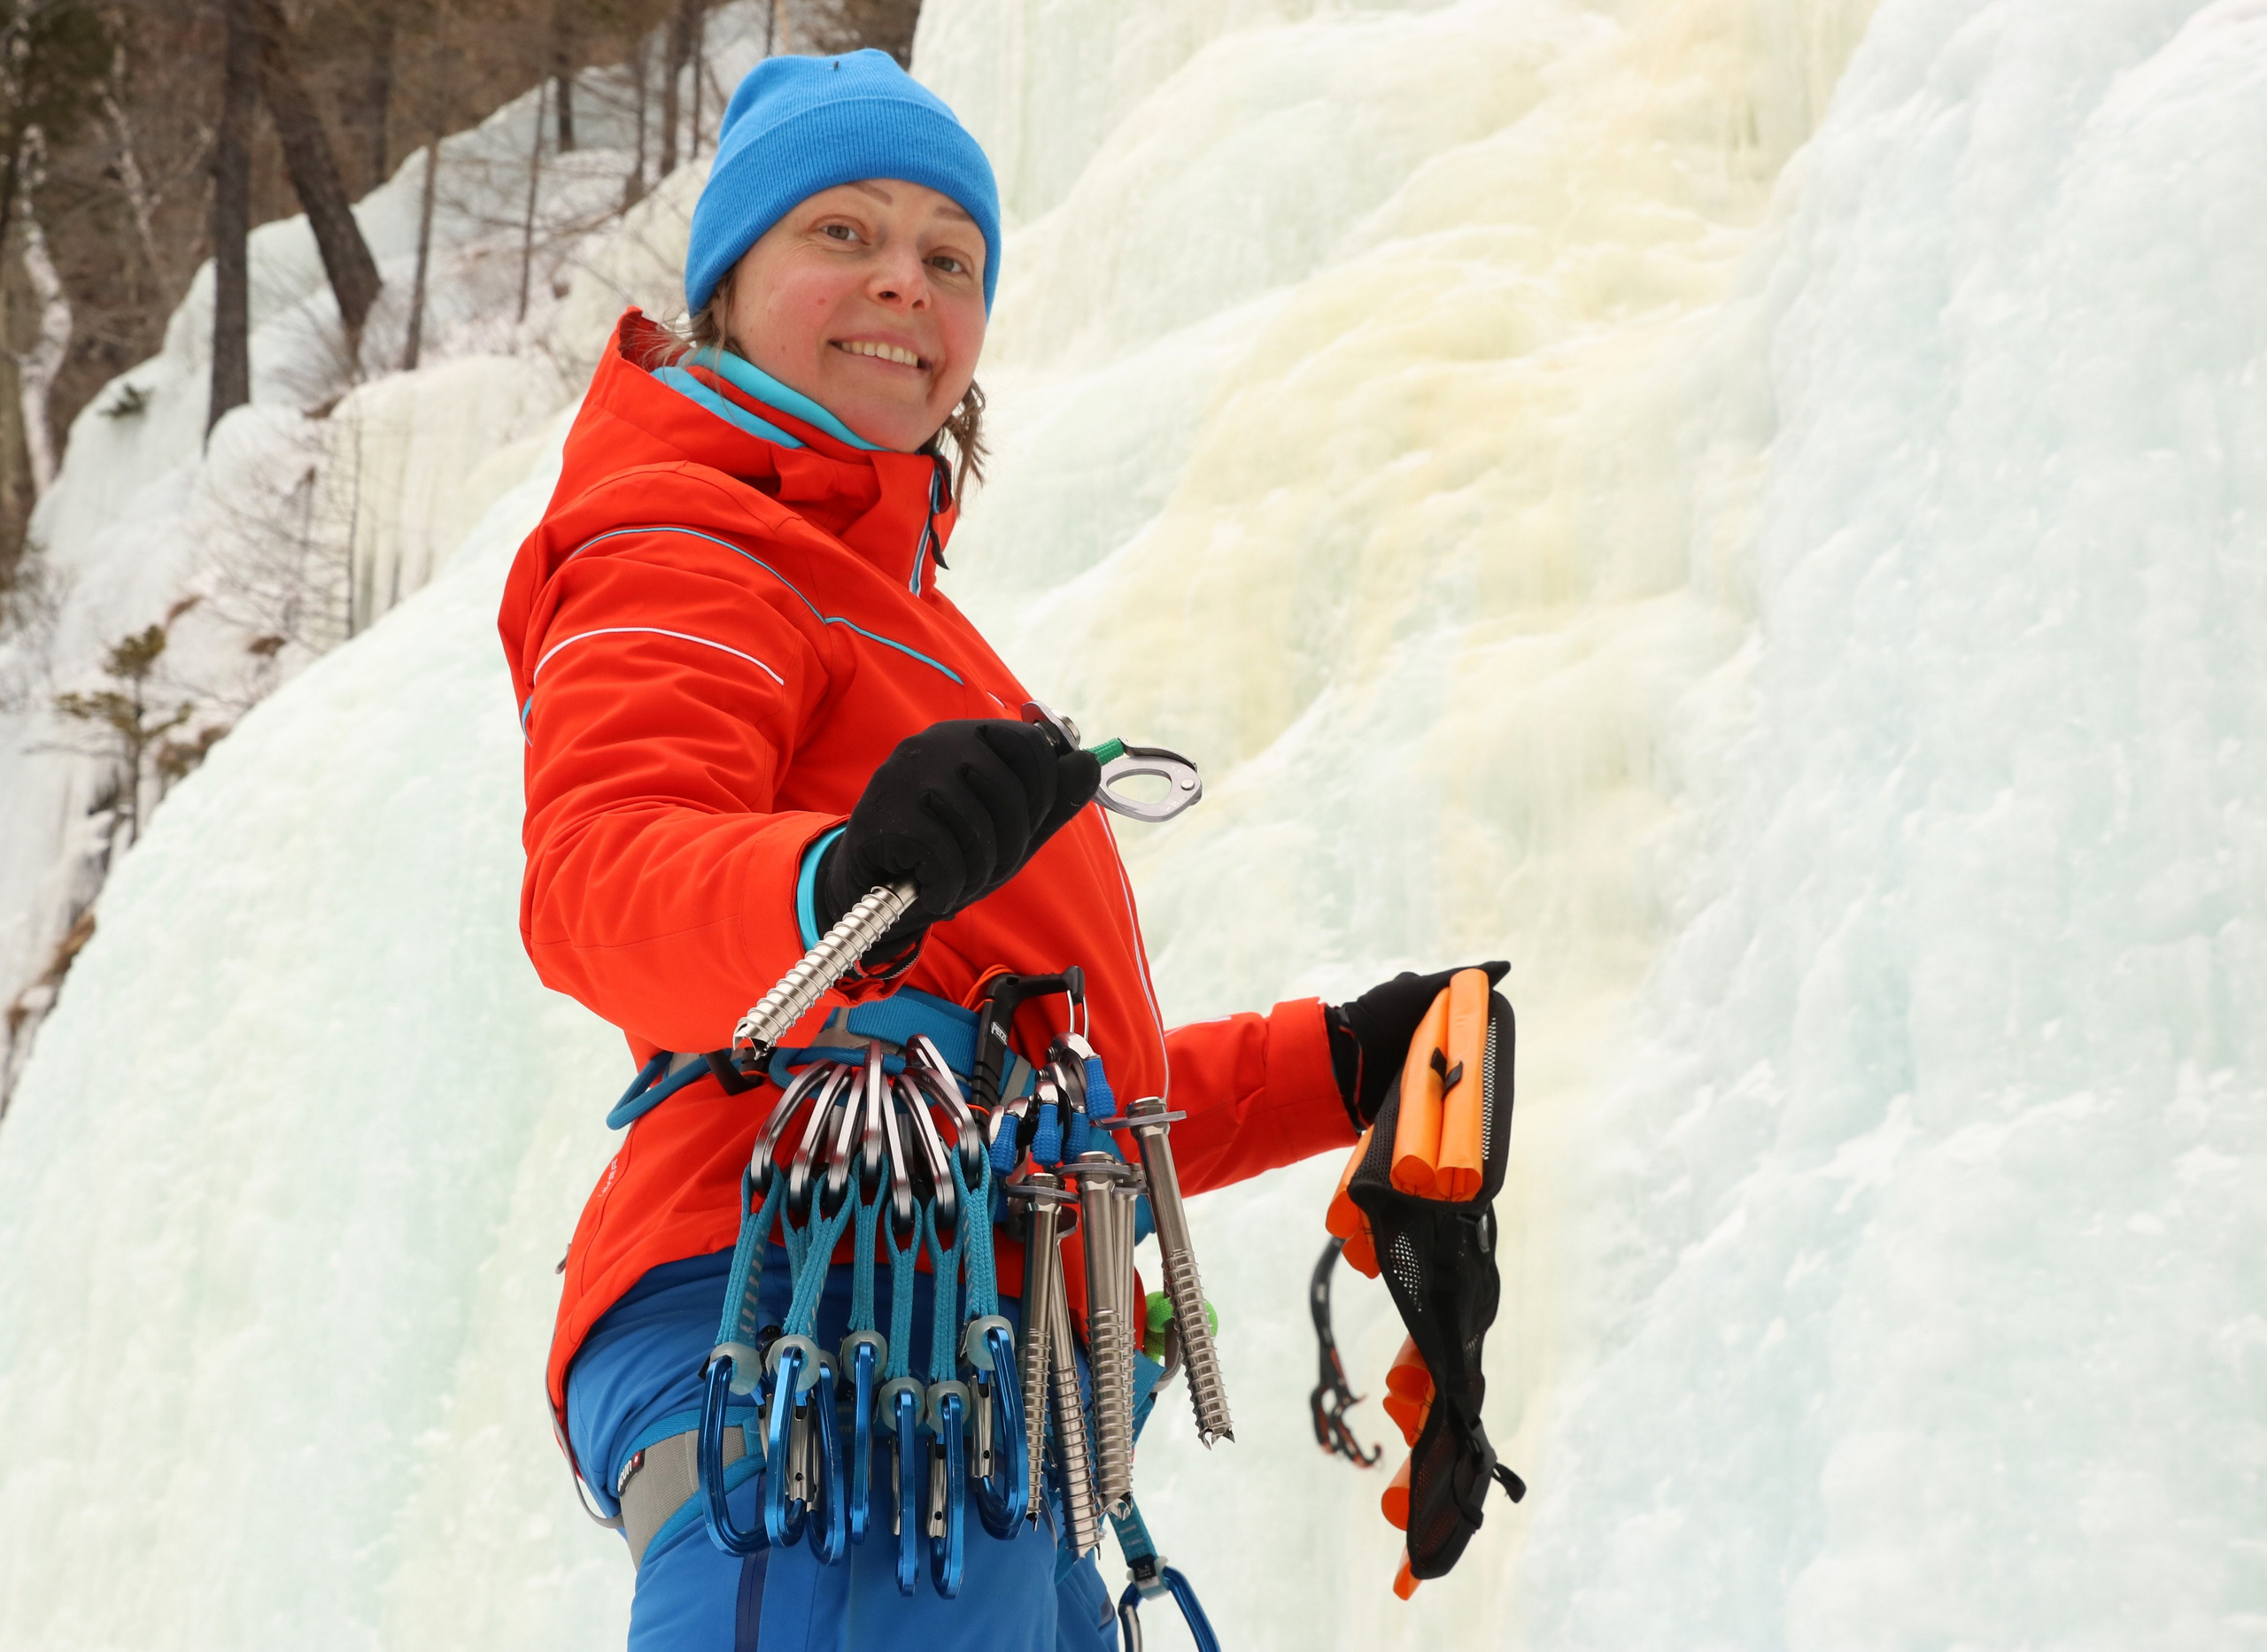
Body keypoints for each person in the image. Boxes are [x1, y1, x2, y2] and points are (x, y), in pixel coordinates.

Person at [499, 48, 1499, 1652]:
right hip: (815, 1329)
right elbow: (601, 881)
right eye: (843, 232)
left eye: (949, 258)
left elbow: (1044, 1071)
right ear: (727, 285)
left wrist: (1342, 1063)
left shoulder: (905, 611)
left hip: (976, 1376)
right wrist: (834, 886)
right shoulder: (688, 543)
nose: (903, 279)